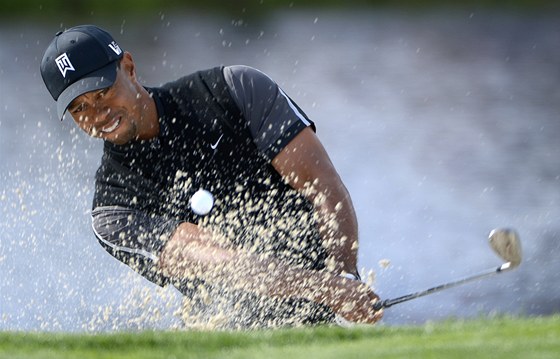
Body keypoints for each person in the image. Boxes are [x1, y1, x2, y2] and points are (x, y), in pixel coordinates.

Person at [40, 24, 382, 329]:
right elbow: (221, 262)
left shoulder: (235, 89)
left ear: (128, 68)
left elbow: (322, 187)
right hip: (239, 333)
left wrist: (343, 277)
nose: (97, 115)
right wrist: (325, 289)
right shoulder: (111, 211)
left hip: (335, 303)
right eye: (79, 108)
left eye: (103, 93)